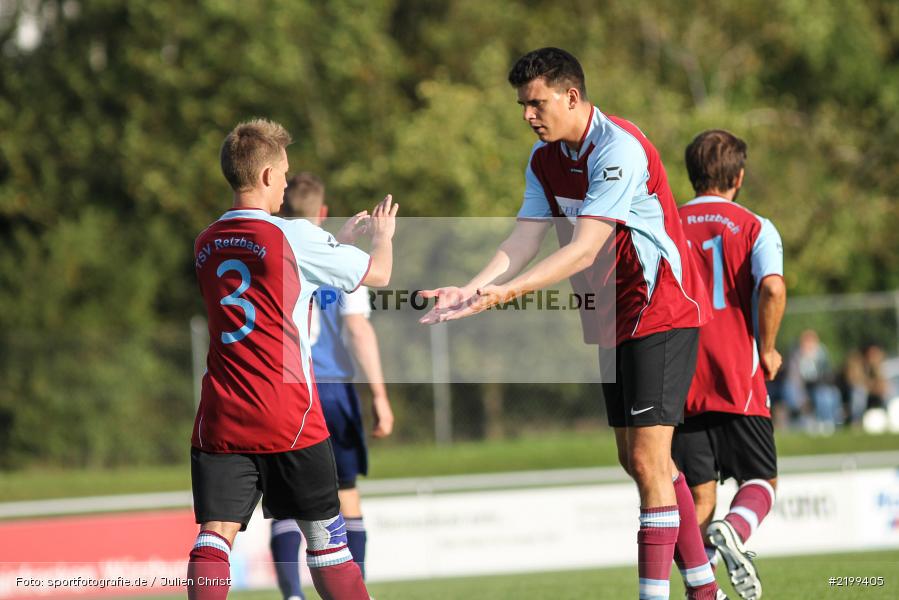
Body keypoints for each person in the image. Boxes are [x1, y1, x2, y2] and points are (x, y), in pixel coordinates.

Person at [420, 48, 721, 600]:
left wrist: (506, 294)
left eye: (537, 103)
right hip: (611, 318)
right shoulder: (543, 160)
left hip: (661, 309)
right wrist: (472, 287)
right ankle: (707, 591)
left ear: (571, 97)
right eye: (523, 106)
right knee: (638, 460)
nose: (529, 115)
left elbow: (584, 250)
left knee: (649, 460)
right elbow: (524, 239)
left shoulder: (619, 150)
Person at [187, 118, 398, 600]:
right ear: (265, 176)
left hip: (222, 413)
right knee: (326, 542)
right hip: (289, 413)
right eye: (283, 172)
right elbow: (380, 274)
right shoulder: (292, 235)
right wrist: (382, 235)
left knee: (213, 537)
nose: (285, 181)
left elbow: (276, 287)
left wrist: (333, 246)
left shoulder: (205, 242)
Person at [672, 129, 787, 600]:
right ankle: (735, 533)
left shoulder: (665, 223)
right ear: (738, 176)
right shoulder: (756, 225)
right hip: (736, 374)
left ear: (691, 174)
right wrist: (769, 348)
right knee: (761, 481)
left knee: (696, 499)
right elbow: (773, 288)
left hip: (677, 378)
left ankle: (706, 589)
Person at [269, 173, 395, 600]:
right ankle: (355, 592)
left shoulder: (274, 256)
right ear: (322, 212)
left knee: (284, 501)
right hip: (334, 392)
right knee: (345, 494)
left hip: (287, 387)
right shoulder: (343, 259)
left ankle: (292, 595)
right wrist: (379, 395)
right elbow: (357, 330)